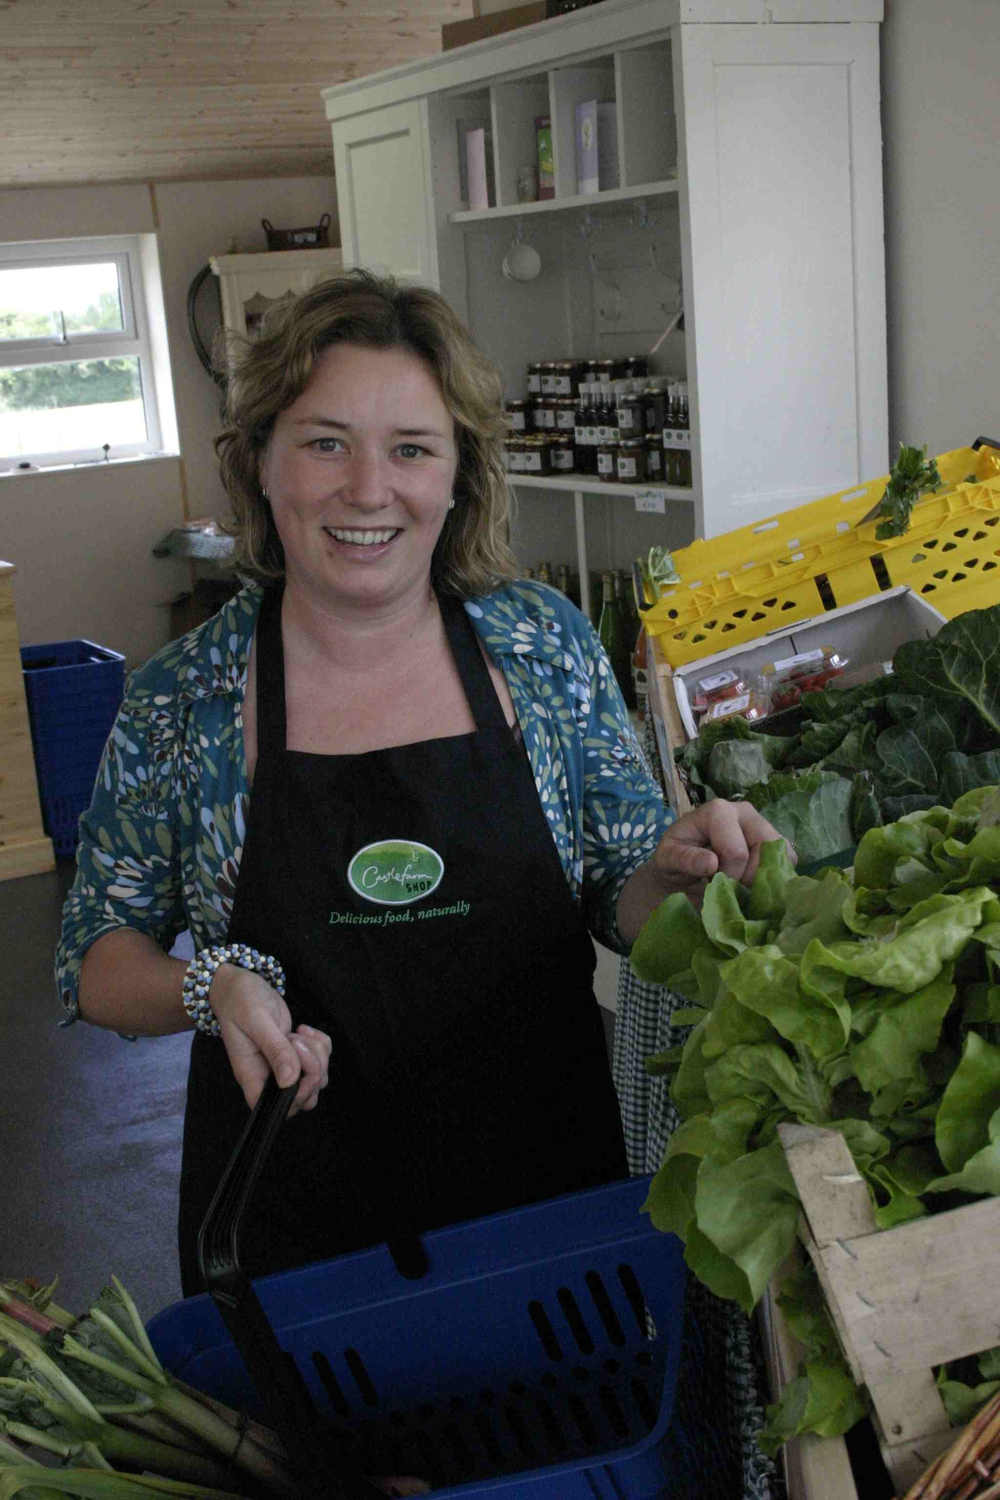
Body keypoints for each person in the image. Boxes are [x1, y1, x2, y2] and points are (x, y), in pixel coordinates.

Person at [57, 268, 786, 1303]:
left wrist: (674, 874)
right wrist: (207, 984)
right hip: (297, 1238)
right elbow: (96, 956)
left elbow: (621, 894)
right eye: (324, 442)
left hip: (543, 1204)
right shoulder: (188, 698)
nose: (367, 489)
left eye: (410, 449)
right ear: (260, 461)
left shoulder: (538, 646)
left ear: (458, 477)